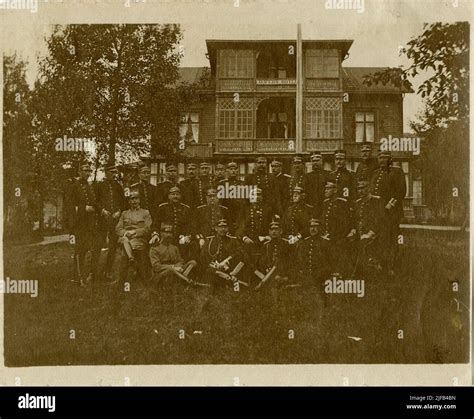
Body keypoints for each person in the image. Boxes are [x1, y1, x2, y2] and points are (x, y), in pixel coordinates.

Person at [370, 150, 407, 275]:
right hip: (377, 211)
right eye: (380, 158)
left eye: (385, 158)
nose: (382, 160)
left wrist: (390, 205)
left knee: (392, 239)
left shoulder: (397, 172)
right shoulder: (375, 173)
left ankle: (392, 266)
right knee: (379, 238)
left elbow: (401, 191)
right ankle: (379, 263)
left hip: (391, 212)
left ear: (389, 159)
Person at [68, 163, 101, 286]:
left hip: (90, 224)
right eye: (85, 171)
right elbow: (70, 206)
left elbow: (94, 202)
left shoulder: (89, 186)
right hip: (79, 224)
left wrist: (100, 210)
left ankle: (88, 275)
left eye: (89, 171)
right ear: (79, 171)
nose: (88, 173)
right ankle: (78, 278)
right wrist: (84, 208)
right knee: (79, 251)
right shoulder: (74, 186)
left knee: (89, 249)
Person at [347, 180, 385, 276]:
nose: (360, 191)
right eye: (358, 189)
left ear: (368, 189)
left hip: (375, 234)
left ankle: (375, 270)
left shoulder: (376, 201)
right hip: (360, 232)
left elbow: (380, 219)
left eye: (363, 188)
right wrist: (353, 230)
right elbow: (354, 220)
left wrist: (370, 233)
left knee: (371, 253)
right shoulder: (357, 202)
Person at [95, 164, 126, 281]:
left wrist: (119, 211)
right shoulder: (99, 185)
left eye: (115, 172)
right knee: (98, 245)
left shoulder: (118, 186)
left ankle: (107, 272)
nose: (114, 174)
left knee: (113, 247)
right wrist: (102, 210)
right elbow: (95, 202)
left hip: (115, 221)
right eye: (112, 172)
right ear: (106, 172)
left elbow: (123, 202)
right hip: (102, 220)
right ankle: (93, 272)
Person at [116, 189, 152, 282]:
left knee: (126, 248)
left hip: (139, 238)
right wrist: (126, 233)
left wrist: (134, 232)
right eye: (132, 199)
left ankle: (121, 279)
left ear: (139, 200)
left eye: (136, 199)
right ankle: (131, 260)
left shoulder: (145, 213)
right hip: (126, 237)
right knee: (124, 240)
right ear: (129, 201)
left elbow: (148, 228)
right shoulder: (124, 213)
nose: (134, 201)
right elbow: (118, 229)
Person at [152, 186, 195, 261]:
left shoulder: (186, 208)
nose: (175, 196)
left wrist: (187, 236)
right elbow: (156, 224)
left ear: (181, 196)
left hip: (181, 237)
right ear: (169, 196)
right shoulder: (162, 207)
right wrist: (155, 234)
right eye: (173, 194)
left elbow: (190, 225)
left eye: (177, 194)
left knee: (189, 247)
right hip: (165, 236)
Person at [320, 181, 353, 278]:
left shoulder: (341, 202)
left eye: (328, 189)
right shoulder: (325, 202)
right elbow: (323, 219)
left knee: (338, 254)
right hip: (327, 235)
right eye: (325, 188)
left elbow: (345, 221)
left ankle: (340, 273)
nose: (326, 191)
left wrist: (334, 234)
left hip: (338, 236)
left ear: (335, 190)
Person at [201, 219, 246, 289]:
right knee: (210, 271)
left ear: (228, 228)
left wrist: (226, 262)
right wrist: (213, 264)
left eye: (225, 227)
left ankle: (227, 279)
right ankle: (230, 279)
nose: (223, 229)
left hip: (227, 268)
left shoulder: (232, 240)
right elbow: (204, 256)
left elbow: (238, 254)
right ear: (216, 228)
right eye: (220, 227)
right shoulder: (210, 240)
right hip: (214, 268)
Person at [237, 188, 273, 271]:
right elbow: (239, 227)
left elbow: (271, 226)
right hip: (249, 241)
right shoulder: (245, 210)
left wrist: (268, 236)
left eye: (258, 195)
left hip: (264, 242)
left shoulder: (267, 210)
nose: (256, 197)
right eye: (253, 195)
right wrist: (244, 237)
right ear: (250, 198)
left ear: (262, 197)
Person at [254, 218, 291, 290]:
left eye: (276, 229)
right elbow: (262, 262)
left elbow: (291, 263)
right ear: (269, 232)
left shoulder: (287, 244)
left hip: (283, 275)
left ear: (281, 231)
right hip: (268, 275)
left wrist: (285, 276)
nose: (274, 231)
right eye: (272, 230)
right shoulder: (266, 245)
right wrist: (266, 269)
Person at [218, 161, 247, 231]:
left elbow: (244, 201)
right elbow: (220, 202)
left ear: (237, 171)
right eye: (231, 169)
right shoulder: (222, 184)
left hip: (240, 213)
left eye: (235, 169)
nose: (233, 171)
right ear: (227, 171)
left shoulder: (242, 184)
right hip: (227, 213)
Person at [297, 218, 326, 286]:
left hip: (321, 277)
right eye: (311, 227)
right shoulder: (305, 242)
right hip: (307, 277)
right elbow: (301, 259)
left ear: (319, 228)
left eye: (315, 227)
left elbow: (328, 262)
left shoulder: (325, 242)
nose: (313, 229)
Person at [305, 152, 329, 218]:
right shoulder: (307, 176)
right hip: (311, 206)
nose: (315, 163)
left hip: (324, 206)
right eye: (313, 161)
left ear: (322, 161)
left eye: (317, 161)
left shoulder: (328, 175)